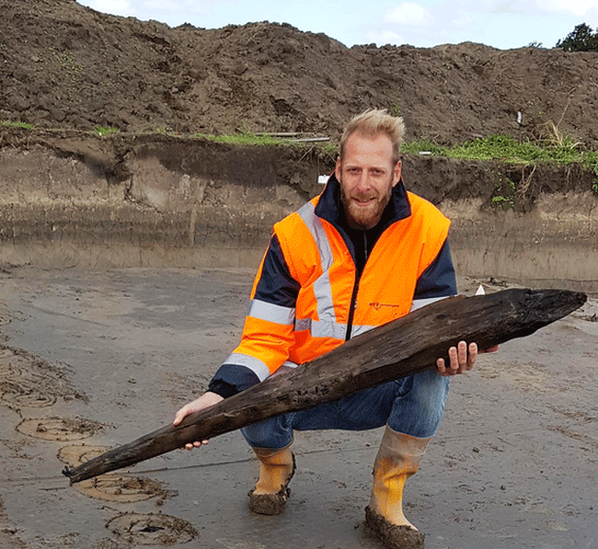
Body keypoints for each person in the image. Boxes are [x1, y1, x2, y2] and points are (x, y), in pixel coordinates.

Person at [173, 109, 495, 549]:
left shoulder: (427, 231)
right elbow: (264, 338)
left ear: (396, 173)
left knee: (431, 377)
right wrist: (217, 397)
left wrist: (456, 349)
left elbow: (432, 330)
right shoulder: (293, 235)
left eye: (377, 171)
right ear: (337, 171)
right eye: (355, 170)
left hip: (379, 388)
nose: (365, 184)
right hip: (300, 386)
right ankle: (275, 470)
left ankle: (387, 498)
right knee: (248, 390)